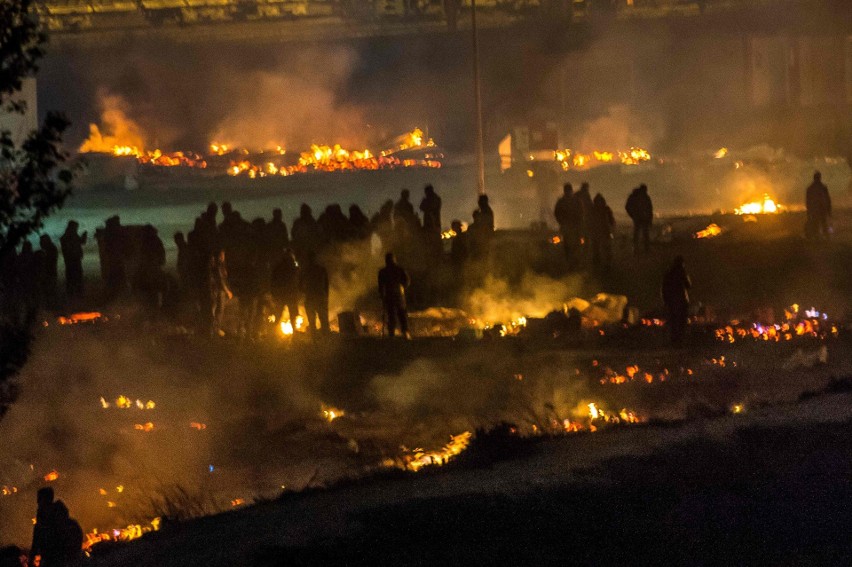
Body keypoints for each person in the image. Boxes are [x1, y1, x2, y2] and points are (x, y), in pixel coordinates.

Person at [30, 487, 82, 567]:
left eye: (40, 499)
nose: (38, 502)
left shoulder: (64, 525)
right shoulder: (42, 524)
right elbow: (35, 547)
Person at [378, 252, 411, 338]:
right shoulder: (400, 269)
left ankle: (391, 333)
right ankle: (405, 332)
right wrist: (402, 287)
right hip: (399, 295)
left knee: (392, 314)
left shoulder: (383, 272)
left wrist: (382, 296)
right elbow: (407, 281)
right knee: (401, 314)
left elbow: (381, 286)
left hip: (389, 296)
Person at [662, 255, 691, 346]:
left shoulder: (668, 273)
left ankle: (673, 340)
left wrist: (665, 300)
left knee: (673, 321)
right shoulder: (682, 272)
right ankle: (680, 340)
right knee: (682, 321)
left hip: (671, 300)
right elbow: (689, 285)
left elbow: (664, 287)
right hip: (681, 300)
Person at [270, 249, 301, 331]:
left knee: (279, 314)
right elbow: (297, 280)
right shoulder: (292, 267)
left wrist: (274, 294)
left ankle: (273, 333)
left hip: (282, 294)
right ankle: (294, 332)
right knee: (292, 314)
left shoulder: (279, 267)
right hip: (290, 294)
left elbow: (273, 281)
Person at [300, 252, 329, 335]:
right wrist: (325, 296)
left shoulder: (305, 271)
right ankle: (326, 340)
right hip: (320, 296)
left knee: (312, 321)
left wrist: (305, 291)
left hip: (310, 297)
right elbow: (326, 285)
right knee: (323, 320)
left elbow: (300, 285)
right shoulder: (321, 269)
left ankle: (315, 341)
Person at [554, 183, 583, 267]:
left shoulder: (565, 201)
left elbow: (581, 213)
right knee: (570, 245)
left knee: (573, 245)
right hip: (570, 227)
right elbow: (557, 213)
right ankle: (572, 262)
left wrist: (562, 222)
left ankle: (573, 262)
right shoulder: (575, 201)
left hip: (572, 227)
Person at [209, 249, 233, 337]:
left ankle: (213, 329)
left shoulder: (220, 265)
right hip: (219, 291)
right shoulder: (219, 266)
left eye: (223, 255)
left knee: (216, 309)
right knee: (219, 310)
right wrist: (227, 291)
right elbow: (221, 280)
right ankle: (215, 329)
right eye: (222, 255)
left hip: (218, 290)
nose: (223, 257)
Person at [60, 221, 87, 298]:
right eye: (75, 227)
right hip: (72, 260)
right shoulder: (69, 235)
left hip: (73, 259)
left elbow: (81, 242)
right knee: (74, 276)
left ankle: (74, 292)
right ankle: (75, 293)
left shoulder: (70, 235)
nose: (76, 229)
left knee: (73, 276)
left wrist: (84, 236)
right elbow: (79, 243)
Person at [625, 184, 653, 253]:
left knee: (640, 234)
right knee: (641, 234)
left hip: (641, 218)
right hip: (641, 218)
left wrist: (633, 215)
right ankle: (641, 249)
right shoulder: (642, 197)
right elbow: (650, 209)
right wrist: (633, 215)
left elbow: (650, 209)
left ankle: (640, 249)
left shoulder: (636, 196)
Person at [590, 193, 615, 269]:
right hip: (601, 231)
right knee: (601, 248)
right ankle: (604, 263)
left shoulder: (595, 209)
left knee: (603, 248)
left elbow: (611, 219)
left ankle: (605, 263)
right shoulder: (604, 209)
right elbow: (611, 220)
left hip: (602, 231)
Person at [805, 171, 832, 240]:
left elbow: (808, 201)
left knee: (816, 223)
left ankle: (817, 237)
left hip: (815, 209)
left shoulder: (810, 188)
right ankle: (825, 237)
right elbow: (828, 199)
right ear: (820, 178)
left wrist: (808, 210)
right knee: (823, 223)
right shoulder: (823, 187)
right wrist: (829, 210)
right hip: (821, 208)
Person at [37, 235, 59, 309]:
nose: (40, 244)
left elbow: (49, 262)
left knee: (49, 291)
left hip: (49, 273)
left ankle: (51, 307)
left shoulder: (50, 250)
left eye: (42, 242)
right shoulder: (50, 249)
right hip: (49, 273)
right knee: (49, 291)